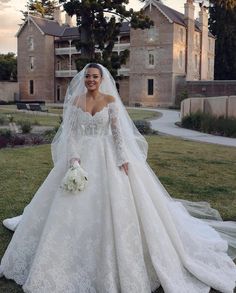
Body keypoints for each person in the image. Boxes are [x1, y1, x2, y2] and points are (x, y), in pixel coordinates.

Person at [0, 63, 236, 293]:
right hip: (80, 156)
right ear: (84, 79)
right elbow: (71, 134)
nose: (91, 80)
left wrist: (123, 159)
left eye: (95, 76)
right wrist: (73, 160)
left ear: (101, 80)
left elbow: (116, 133)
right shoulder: (75, 101)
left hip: (108, 156)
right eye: (88, 76)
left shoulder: (111, 101)